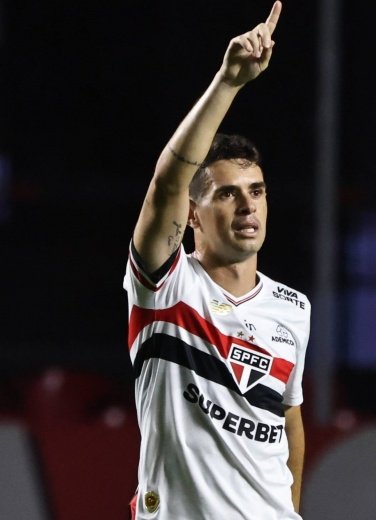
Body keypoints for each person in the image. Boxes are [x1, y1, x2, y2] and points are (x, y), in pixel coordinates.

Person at [123, 2, 309, 518]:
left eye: (257, 191)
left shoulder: (294, 308)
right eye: (227, 194)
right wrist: (229, 82)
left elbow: (289, 420)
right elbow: (167, 183)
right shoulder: (165, 285)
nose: (248, 206)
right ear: (192, 215)